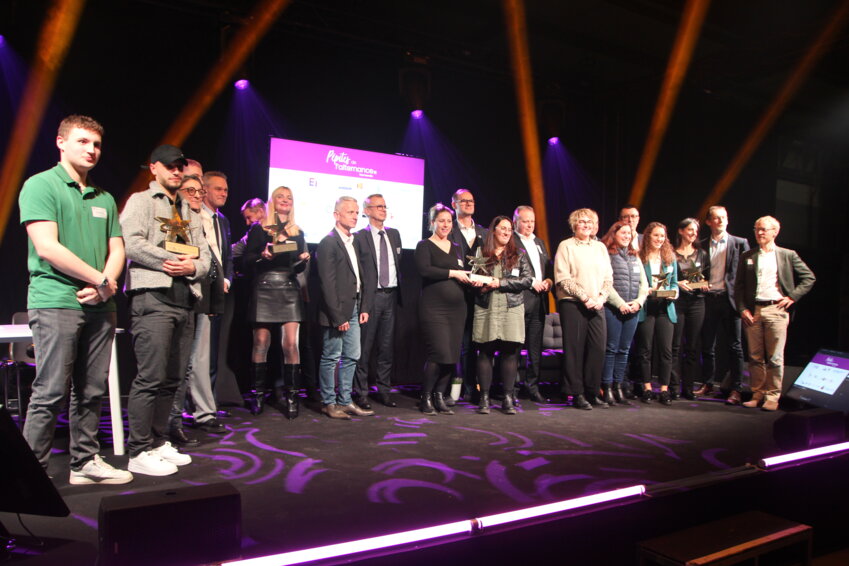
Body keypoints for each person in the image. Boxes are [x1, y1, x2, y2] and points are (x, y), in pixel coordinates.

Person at [18, 114, 132, 485]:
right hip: (55, 299)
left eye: (97, 144)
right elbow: (47, 247)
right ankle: (29, 475)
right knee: (50, 389)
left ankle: (84, 461)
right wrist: (100, 279)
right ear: (61, 142)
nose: (92, 150)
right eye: (83, 142)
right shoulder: (41, 185)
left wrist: (106, 284)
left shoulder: (104, 198)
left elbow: (118, 249)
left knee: (91, 388)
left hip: (102, 303)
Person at [121, 144, 210, 476]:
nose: (176, 171)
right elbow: (129, 241)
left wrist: (192, 268)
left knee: (173, 378)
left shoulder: (188, 208)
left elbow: (203, 256)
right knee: (150, 377)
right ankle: (138, 449)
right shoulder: (141, 201)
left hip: (185, 298)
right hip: (153, 298)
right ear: (154, 168)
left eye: (180, 166)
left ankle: (157, 442)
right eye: (170, 166)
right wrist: (170, 260)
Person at [736, 216, 815, 411]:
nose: (759, 233)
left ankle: (772, 396)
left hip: (776, 310)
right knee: (755, 356)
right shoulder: (748, 255)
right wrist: (742, 309)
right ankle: (757, 393)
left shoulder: (787, 255)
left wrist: (792, 297)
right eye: (757, 229)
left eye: (763, 229)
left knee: (775, 357)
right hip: (753, 310)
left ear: (775, 232)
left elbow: (808, 277)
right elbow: (738, 287)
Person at [243, 186, 310, 418]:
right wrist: (263, 255)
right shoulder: (259, 230)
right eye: (280, 197)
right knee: (261, 343)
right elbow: (246, 260)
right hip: (264, 287)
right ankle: (258, 395)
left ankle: (292, 397)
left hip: (289, 289)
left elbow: (297, 266)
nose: (285, 201)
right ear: (273, 202)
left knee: (291, 344)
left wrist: (303, 259)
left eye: (289, 198)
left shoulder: (298, 232)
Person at [414, 204, 481, 415]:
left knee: (452, 356)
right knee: (438, 353)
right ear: (432, 223)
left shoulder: (456, 247)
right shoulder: (424, 245)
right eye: (441, 220)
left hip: (457, 310)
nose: (445, 225)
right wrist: (453, 273)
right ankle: (425, 397)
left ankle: (439, 397)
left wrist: (476, 280)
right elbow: (425, 270)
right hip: (434, 309)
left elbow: (463, 273)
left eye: (448, 221)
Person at [316, 196, 374, 419]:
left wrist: (363, 307)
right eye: (350, 212)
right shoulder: (328, 242)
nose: (355, 216)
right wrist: (338, 316)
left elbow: (358, 277)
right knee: (331, 356)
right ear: (336, 215)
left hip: (354, 306)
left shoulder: (353, 241)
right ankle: (329, 402)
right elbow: (327, 284)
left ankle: (345, 400)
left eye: (356, 212)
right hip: (337, 311)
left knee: (352, 355)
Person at [472, 216, 534, 414]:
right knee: (485, 352)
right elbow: (474, 278)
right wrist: (478, 286)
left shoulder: (519, 254)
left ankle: (508, 397)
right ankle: (484, 398)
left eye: (509, 229)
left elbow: (527, 280)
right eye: (503, 229)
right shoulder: (482, 252)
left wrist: (500, 283)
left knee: (509, 352)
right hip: (487, 308)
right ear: (494, 231)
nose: (507, 232)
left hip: (511, 309)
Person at [553, 208, 612, 410]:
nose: (586, 225)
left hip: (597, 304)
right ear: (574, 225)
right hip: (573, 303)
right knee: (575, 350)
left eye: (590, 221)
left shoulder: (600, 247)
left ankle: (592, 391)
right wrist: (585, 297)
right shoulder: (566, 246)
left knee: (597, 348)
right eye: (582, 221)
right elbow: (563, 278)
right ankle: (576, 393)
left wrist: (601, 298)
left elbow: (608, 278)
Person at [353, 194, 402, 409]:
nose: (383, 209)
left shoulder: (394, 234)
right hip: (369, 299)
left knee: (386, 348)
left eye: (384, 206)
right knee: (364, 348)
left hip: (390, 297)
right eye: (378, 206)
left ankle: (384, 391)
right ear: (367, 210)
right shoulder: (359, 237)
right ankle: (361, 393)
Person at [696, 205, 749, 404]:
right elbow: (695, 271)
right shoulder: (700, 245)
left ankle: (736, 389)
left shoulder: (739, 243)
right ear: (709, 221)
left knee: (735, 346)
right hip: (709, 300)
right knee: (707, 345)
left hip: (731, 301)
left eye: (723, 217)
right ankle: (707, 383)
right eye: (716, 218)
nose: (720, 221)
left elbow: (745, 275)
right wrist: (701, 283)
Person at [600, 221, 647, 406]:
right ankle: (607, 387)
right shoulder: (607, 255)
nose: (627, 236)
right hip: (613, 309)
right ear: (614, 234)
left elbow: (644, 284)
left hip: (633, 310)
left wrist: (638, 302)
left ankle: (619, 386)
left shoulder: (635, 257)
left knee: (624, 350)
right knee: (611, 349)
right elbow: (605, 283)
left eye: (630, 233)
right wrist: (620, 304)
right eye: (623, 233)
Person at [448, 188, 487, 403]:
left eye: (471, 200)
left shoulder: (485, 232)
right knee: (456, 343)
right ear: (454, 204)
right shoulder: (448, 229)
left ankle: (472, 388)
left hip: (480, 295)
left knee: (474, 344)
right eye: (464, 201)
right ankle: (453, 386)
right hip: (455, 294)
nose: (469, 204)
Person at [512, 205, 553, 403]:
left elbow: (548, 269)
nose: (529, 225)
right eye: (525, 221)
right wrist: (531, 282)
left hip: (539, 302)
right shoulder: (511, 241)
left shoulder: (539, 242)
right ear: (516, 221)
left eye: (532, 221)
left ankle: (533, 386)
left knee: (535, 349)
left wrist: (548, 282)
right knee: (516, 347)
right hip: (520, 300)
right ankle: (513, 387)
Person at [635, 222, 678, 405]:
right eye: (656, 235)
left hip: (665, 307)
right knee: (645, 349)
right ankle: (646, 388)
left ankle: (664, 389)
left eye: (662, 236)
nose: (660, 239)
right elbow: (636, 282)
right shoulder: (640, 257)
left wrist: (675, 292)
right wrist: (647, 291)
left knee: (666, 350)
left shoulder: (669, 258)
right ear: (647, 237)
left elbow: (675, 282)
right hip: (647, 306)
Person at [670, 218, 709, 400]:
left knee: (692, 347)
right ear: (681, 231)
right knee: (675, 346)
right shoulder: (670, 253)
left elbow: (704, 280)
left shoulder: (701, 254)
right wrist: (678, 283)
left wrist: (702, 284)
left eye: (696, 231)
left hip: (696, 303)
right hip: (677, 302)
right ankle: (673, 386)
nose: (693, 234)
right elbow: (664, 279)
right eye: (690, 230)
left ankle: (688, 387)